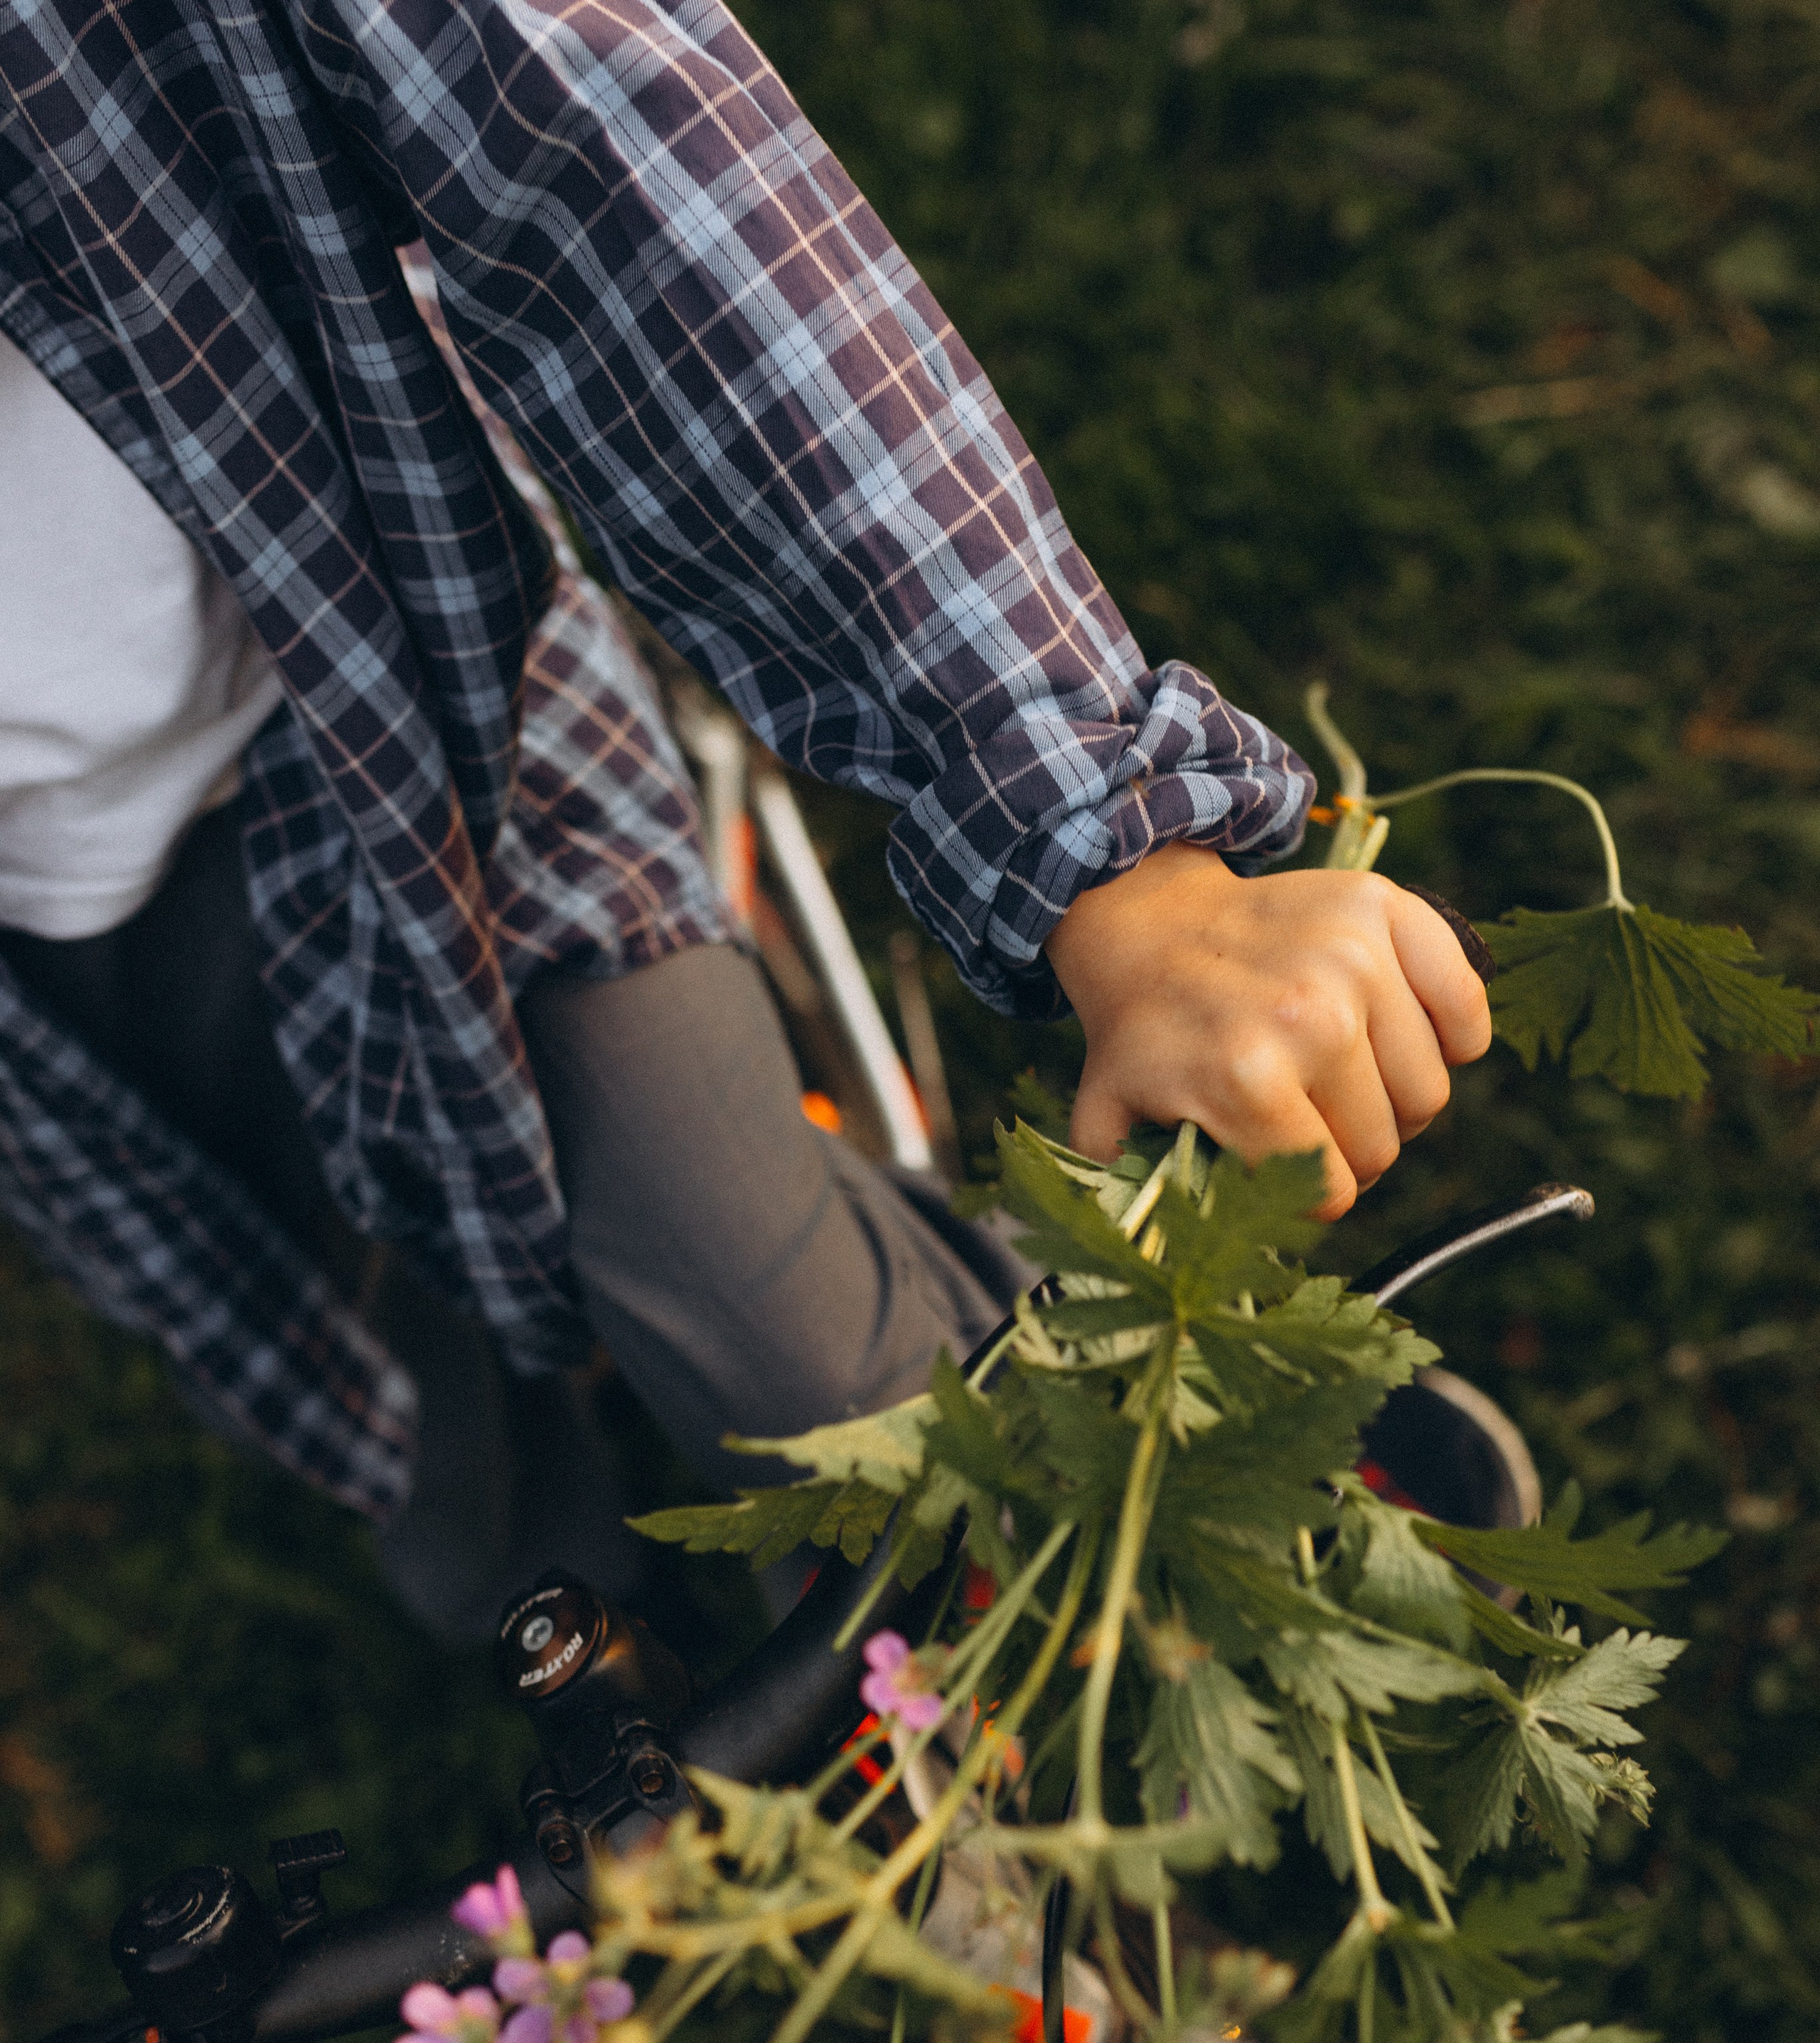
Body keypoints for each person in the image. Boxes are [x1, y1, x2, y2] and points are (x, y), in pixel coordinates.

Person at [0, 0, 1489, 1644]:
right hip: (40, 953)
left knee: (825, 1388)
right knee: (371, 1364)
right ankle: (581, 1619)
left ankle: (1090, 1573)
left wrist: (1107, 837)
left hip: (399, 707)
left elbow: (606, 146)